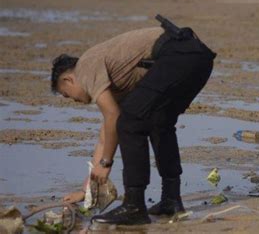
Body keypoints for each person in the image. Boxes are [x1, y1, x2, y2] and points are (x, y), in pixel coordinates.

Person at [52, 21, 215, 225]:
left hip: (178, 53)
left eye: (67, 95)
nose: (73, 100)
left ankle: (134, 206)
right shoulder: (116, 79)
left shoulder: (85, 66)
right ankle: (171, 199)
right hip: (198, 57)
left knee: (129, 121)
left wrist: (106, 163)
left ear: (68, 80)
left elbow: (114, 118)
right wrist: (87, 191)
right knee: (158, 123)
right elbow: (105, 136)